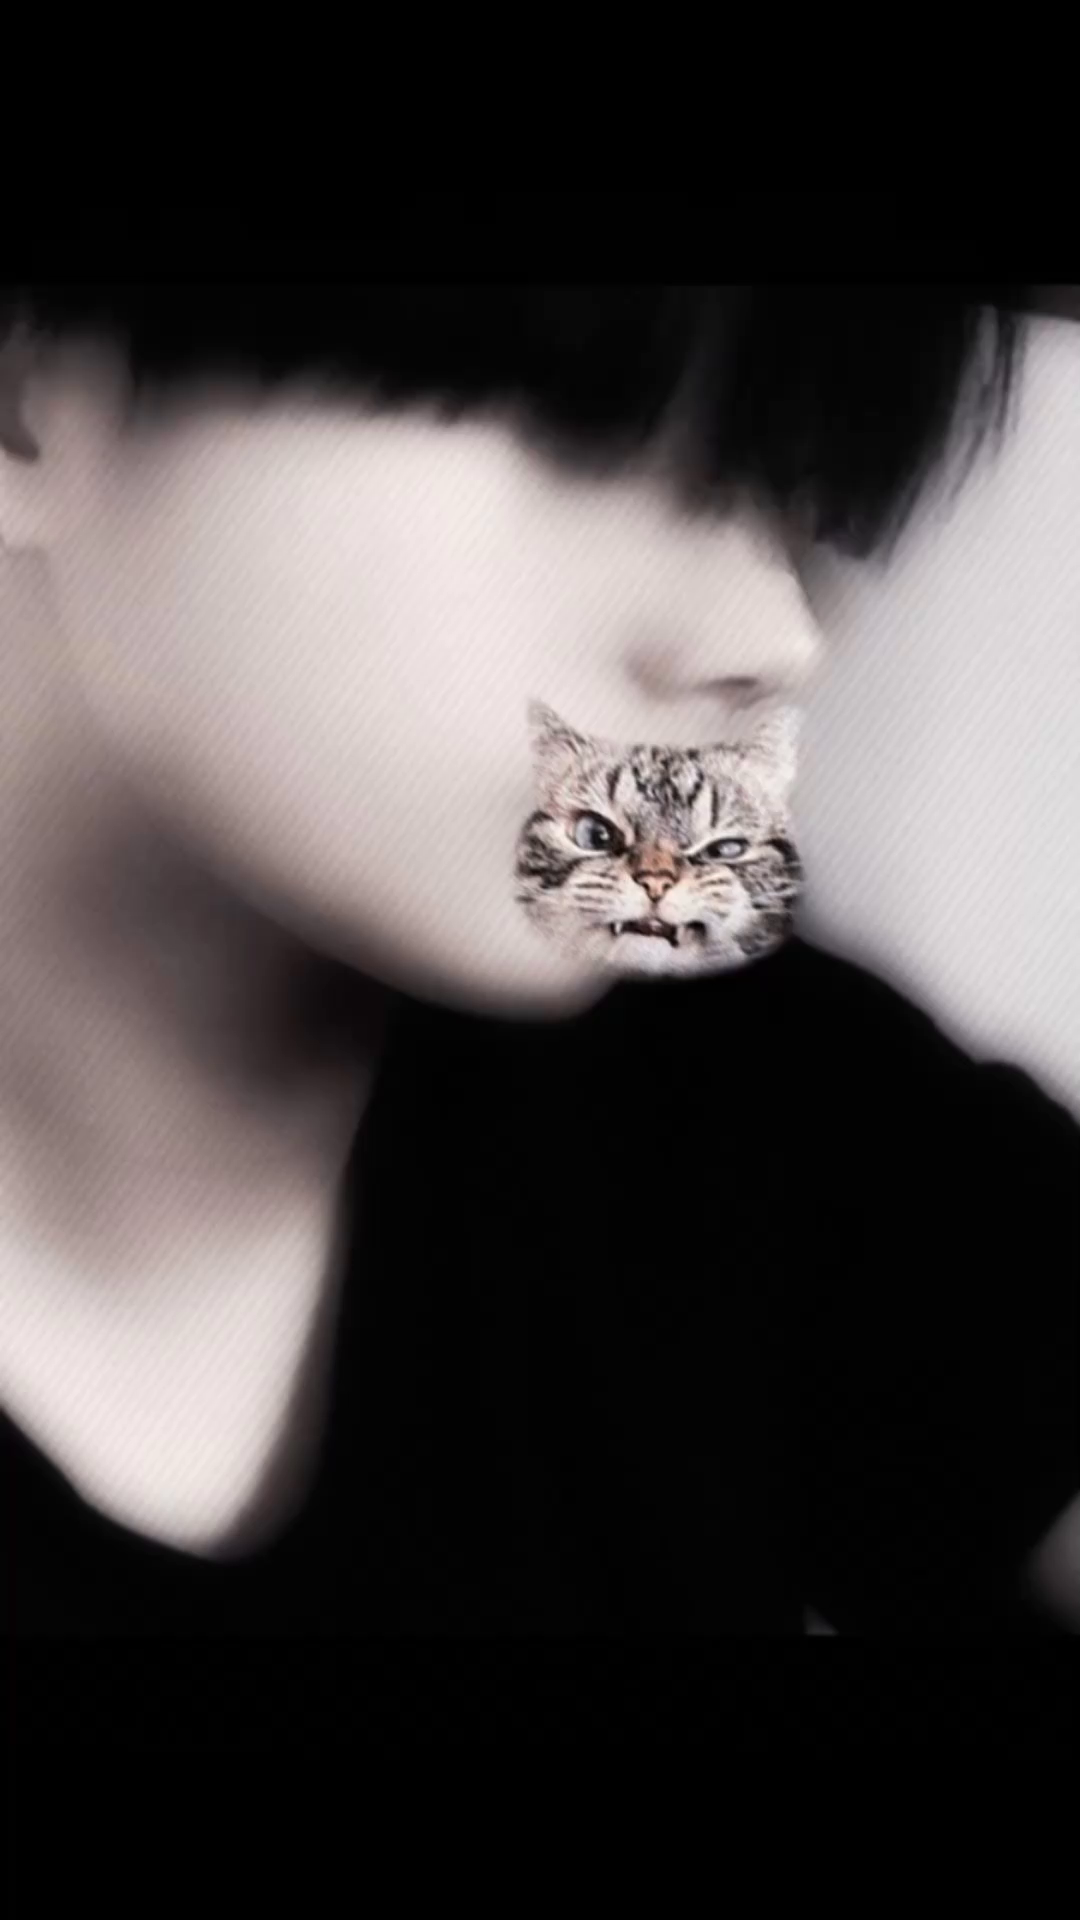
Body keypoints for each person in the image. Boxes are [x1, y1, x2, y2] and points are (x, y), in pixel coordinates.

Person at [0, 221, 1076, 1711]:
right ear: (27, 386)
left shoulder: (744, 1083)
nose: (773, 635)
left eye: (796, 476)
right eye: (594, 424)